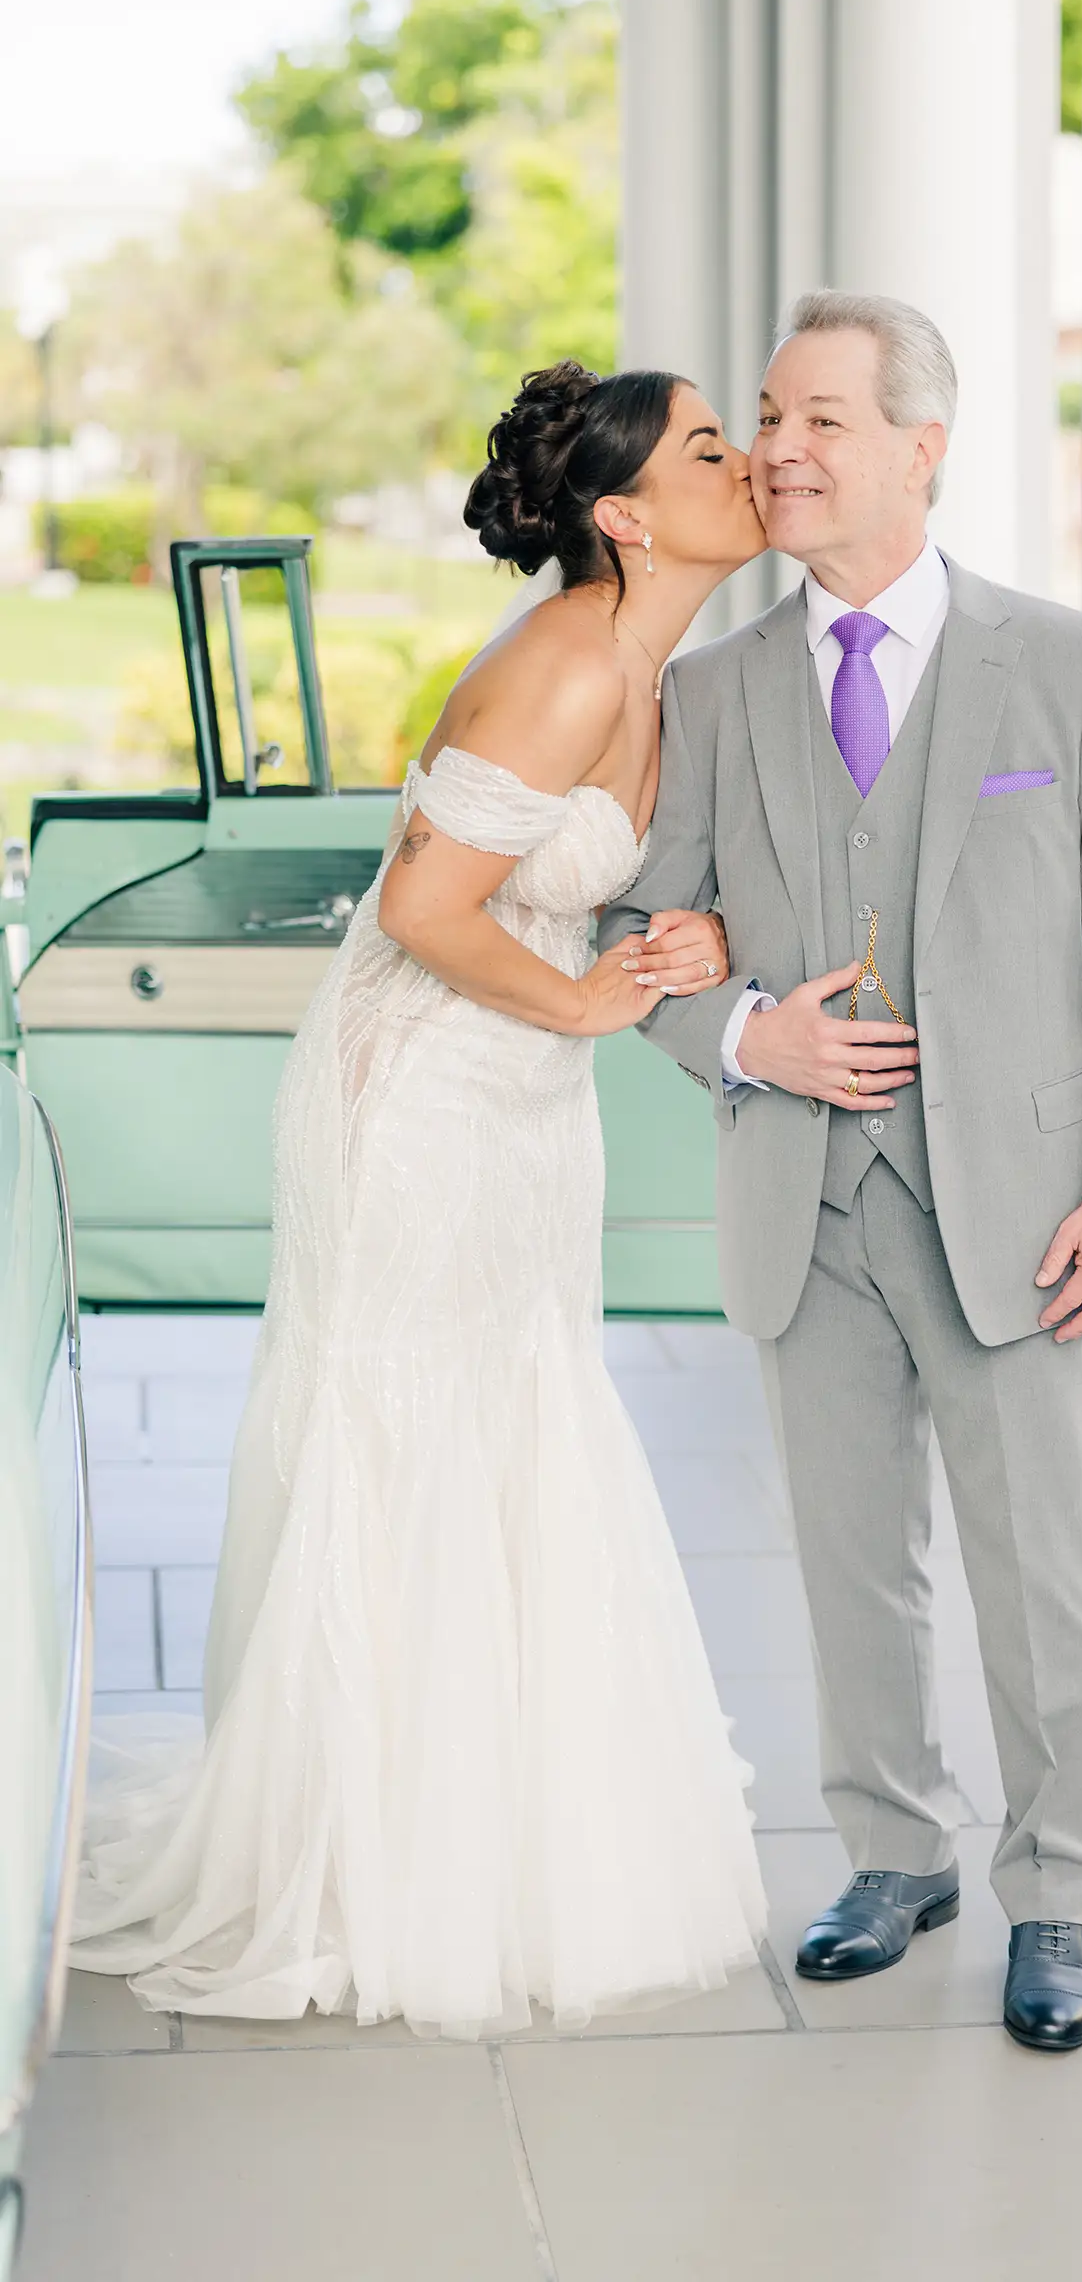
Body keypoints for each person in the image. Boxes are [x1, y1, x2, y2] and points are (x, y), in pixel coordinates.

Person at [70, 363, 771, 2039]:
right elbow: (424, 904)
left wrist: (665, 950)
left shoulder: (652, 670)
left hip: (518, 1099)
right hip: (415, 1106)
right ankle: (357, 1856)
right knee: (404, 1433)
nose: (746, 464)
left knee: (518, 1416)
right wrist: (597, 1003)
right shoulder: (561, 664)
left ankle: (490, 1821)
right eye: (707, 447)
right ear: (623, 514)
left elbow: (560, 889)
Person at [603, 291, 1082, 2052]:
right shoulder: (707, 692)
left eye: (821, 420)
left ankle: (1061, 1892)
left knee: (1038, 1570)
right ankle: (890, 1850)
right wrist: (740, 1035)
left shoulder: (1070, 665)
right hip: (806, 1196)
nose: (779, 448)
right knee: (853, 1560)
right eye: (769, 417)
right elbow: (647, 931)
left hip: (1017, 1211)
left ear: (922, 449)